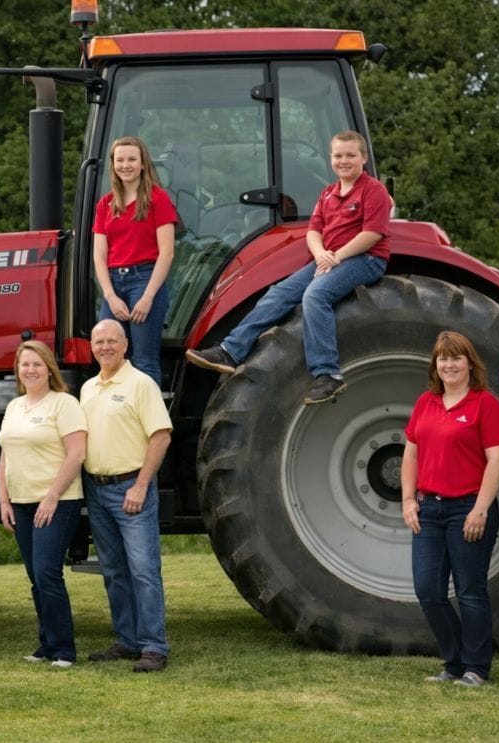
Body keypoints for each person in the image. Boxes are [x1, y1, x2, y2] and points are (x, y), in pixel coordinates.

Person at [186, 130, 391, 405]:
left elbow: (372, 234)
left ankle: (329, 374)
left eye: (351, 155)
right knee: (278, 293)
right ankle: (230, 352)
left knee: (316, 296)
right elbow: (314, 230)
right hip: (328, 258)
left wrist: (336, 257)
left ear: (363, 158)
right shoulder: (328, 193)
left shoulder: (373, 190)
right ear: (331, 158)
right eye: (338, 155)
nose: (344, 160)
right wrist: (321, 255)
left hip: (364, 258)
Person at [401, 331, 499, 687]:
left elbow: (498, 459)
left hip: (469, 508)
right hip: (429, 509)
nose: (449, 364)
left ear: (469, 363)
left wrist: (480, 509)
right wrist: (407, 500)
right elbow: (411, 453)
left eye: (456, 357)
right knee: (428, 591)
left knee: (470, 590)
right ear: (435, 365)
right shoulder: (425, 403)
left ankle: (476, 668)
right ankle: (454, 663)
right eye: (442, 358)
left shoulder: (485, 404)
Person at [80, 319, 172, 672]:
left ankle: (153, 647)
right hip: (97, 489)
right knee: (113, 571)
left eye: (112, 341)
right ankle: (127, 640)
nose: (105, 347)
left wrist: (141, 485)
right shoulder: (88, 388)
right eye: (99, 341)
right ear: (92, 346)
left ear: (125, 345)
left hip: (130, 489)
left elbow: (160, 435)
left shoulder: (140, 384)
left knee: (144, 570)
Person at [0, 340, 86, 668]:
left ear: (49, 368)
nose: (30, 370)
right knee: (36, 576)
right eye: (24, 365)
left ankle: (65, 650)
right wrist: (4, 499)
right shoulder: (15, 406)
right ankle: (46, 644)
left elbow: (77, 453)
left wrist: (51, 497)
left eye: (36, 364)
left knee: (48, 572)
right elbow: (6, 453)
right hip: (20, 502)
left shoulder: (64, 404)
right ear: (18, 371)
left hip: (57, 501)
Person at [92, 136, 177, 385]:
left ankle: (150, 423)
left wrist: (148, 297)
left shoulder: (157, 199)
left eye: (131, 159)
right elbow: (99, 255)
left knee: (144, 360)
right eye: (120, 160)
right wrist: (109, 295)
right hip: (113, 285)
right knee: (110, 357)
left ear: (142, 164)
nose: (125, 165)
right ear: (113, 165)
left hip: (145, 280)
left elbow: (167, 252)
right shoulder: (105, 204)